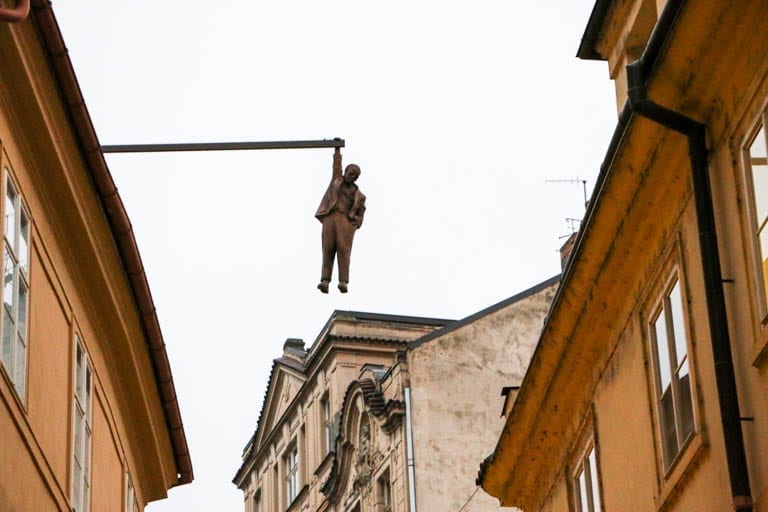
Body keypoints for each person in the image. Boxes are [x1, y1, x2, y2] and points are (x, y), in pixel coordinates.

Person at [315, 147, 366, 293]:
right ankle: (325, 280)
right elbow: (336, 164)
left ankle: (343, 281)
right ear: (346, 172)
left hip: (345, 220)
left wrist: (356, 221)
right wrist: (337, 150)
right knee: (328, 248)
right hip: (331, 217)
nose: (352, 177)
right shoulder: (337, 180)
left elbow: (362, 211)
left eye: (355, 176)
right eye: (350, 173)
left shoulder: (359, 196)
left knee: (344, 250)